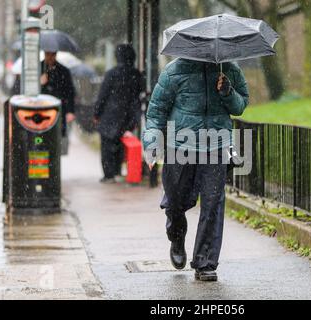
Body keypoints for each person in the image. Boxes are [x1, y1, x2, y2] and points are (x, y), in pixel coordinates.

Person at [143, 59, 249, 281]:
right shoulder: (174, 71)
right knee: (175, 202)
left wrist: (227, 91)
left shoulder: (228, 69)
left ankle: (205, 263)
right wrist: (152, 144)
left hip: (216, 145)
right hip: (180, 146)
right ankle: (177, 237)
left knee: (212, 204)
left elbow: (239, 106)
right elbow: (156, 112)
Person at [94, 44, 144, 184]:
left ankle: (109, 175)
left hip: (109, 114)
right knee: (120, 144)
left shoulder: (112, 73)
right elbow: (138, 95)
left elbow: (102, 95)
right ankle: (117, 171)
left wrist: (97, 113)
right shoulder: (136, 74)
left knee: (107, 146)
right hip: (127, 115)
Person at [41, 51, 76, 155]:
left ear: (55, 55)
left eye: (52, 54)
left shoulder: (63, 70)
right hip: (41, 109)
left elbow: (70, 92)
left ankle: (55, 155)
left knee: (57, 138)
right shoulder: (38, 68)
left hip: (59, 109)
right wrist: (40, 84)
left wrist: (70, 111)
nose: (50, 57)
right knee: (41, 137)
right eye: (48, 54)